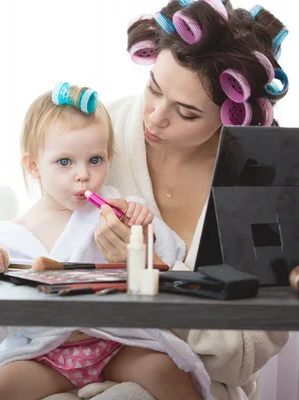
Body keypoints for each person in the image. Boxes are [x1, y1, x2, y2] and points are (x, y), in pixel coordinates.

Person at [0, 82, 207, 400]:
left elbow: (168, 261)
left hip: (117, 344)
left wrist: (143, 233)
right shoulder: (9, 237)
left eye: (95, 160)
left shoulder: (117, 211)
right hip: (46, 354)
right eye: (65, 162)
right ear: (34, 166)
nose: (83, 175)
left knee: (166, 371)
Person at [92, 1, 290, 399]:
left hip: (197, 384)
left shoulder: (260, 174)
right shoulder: (102, 134)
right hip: (83, 364)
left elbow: (242, 356)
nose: (155, 117)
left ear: (230, 115)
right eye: (153, 88)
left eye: (186, 112)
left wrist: (155, 274)